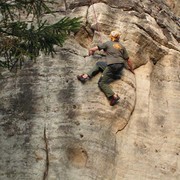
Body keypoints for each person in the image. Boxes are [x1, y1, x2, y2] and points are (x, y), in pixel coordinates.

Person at [77, 31, 134, 106]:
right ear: (118, 38)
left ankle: (113, 96)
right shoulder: (122, 47)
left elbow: (93, 49)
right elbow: (128, 60)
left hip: (112, 66)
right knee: (99, 64)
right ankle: (87, 76)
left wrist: (90, 54)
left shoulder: (107, 43)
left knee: (102, 83)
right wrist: (131, 69)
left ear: (111, 37)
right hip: (120, 67)